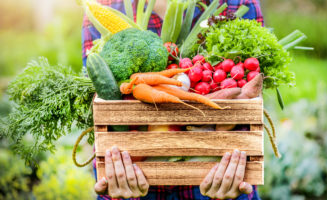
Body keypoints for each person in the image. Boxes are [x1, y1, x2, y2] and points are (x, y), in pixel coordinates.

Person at [82, 0, 264, 199]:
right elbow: (100, 92)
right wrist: (114, 164)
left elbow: (251, 98)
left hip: (214, 177)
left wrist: (235, 157)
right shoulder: (102, 6)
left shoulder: (237, 4)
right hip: (130, 177)